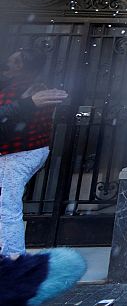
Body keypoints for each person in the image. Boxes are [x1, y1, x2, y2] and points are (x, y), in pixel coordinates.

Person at [0, 49, 68, 257]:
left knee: (7, 207)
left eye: (13, 62)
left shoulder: (23, 90)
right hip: (24, 151)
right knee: (7, 206)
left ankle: (13, 258)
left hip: (17, 153)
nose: (7, 66)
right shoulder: (26, 88)